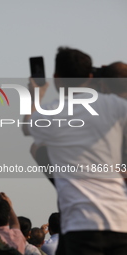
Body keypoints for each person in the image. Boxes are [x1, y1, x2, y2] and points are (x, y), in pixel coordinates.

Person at [26, 47, 127, 255]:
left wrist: (36, 93)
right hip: (119, 222)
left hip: (80, 226)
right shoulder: (113, 105)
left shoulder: (52, 114)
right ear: (90, 76)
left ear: (56, 78)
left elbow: (28, 126)